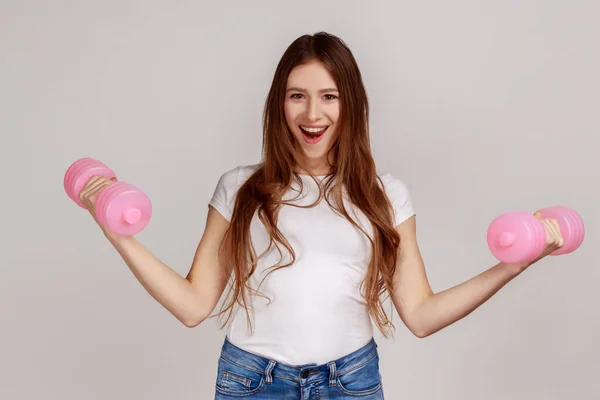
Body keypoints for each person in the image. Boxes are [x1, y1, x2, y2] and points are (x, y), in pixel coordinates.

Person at [79, 32, 565, 399]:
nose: (313, 114)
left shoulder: (385, 195)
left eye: (329, 96)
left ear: (350, 103)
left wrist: (514, 264)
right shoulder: (240, 188)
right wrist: (117, 233)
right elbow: (192, 305)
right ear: (279, 104)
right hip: (253, 381)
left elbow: (420, 314)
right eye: (298, 95)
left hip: (350, 381)